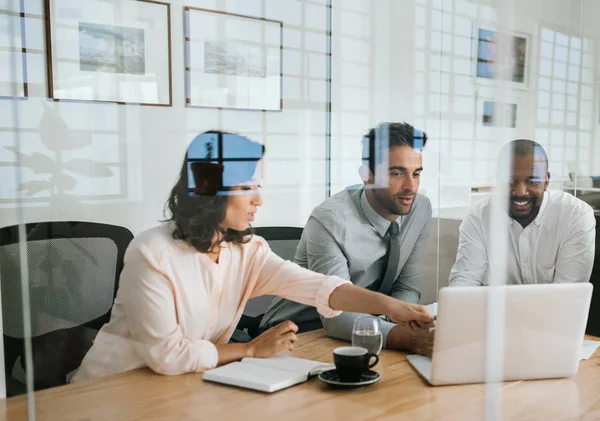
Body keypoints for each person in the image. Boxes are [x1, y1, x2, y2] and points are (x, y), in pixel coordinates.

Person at [72, 131, 433, 382]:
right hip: (115, 387)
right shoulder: (152, 253)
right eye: (247, 187)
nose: (258, 199)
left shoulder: (245, 250)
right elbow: (168, 356)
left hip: (188, 383)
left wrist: (393, 307)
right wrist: (249, 350)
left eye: (258, 185)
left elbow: (321, 288)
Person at [260, 122, 435, 356]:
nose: (410, 187)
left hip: (365, 329)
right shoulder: (331, 219)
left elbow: (406, 287)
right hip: (296, 335)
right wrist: (409, 339)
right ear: (367, 176)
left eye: (416, 173)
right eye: (396, 173)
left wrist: (393, 322)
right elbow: (336, 315)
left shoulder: (419, 208)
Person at [449, 139, 596, 287]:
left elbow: (567, 295)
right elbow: (465, 280)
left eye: (532, 181)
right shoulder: (478, 217)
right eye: (510, 180)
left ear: (546, 181)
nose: (520, 192)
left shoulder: (575, 216)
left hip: (551, 310)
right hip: (494, 310)